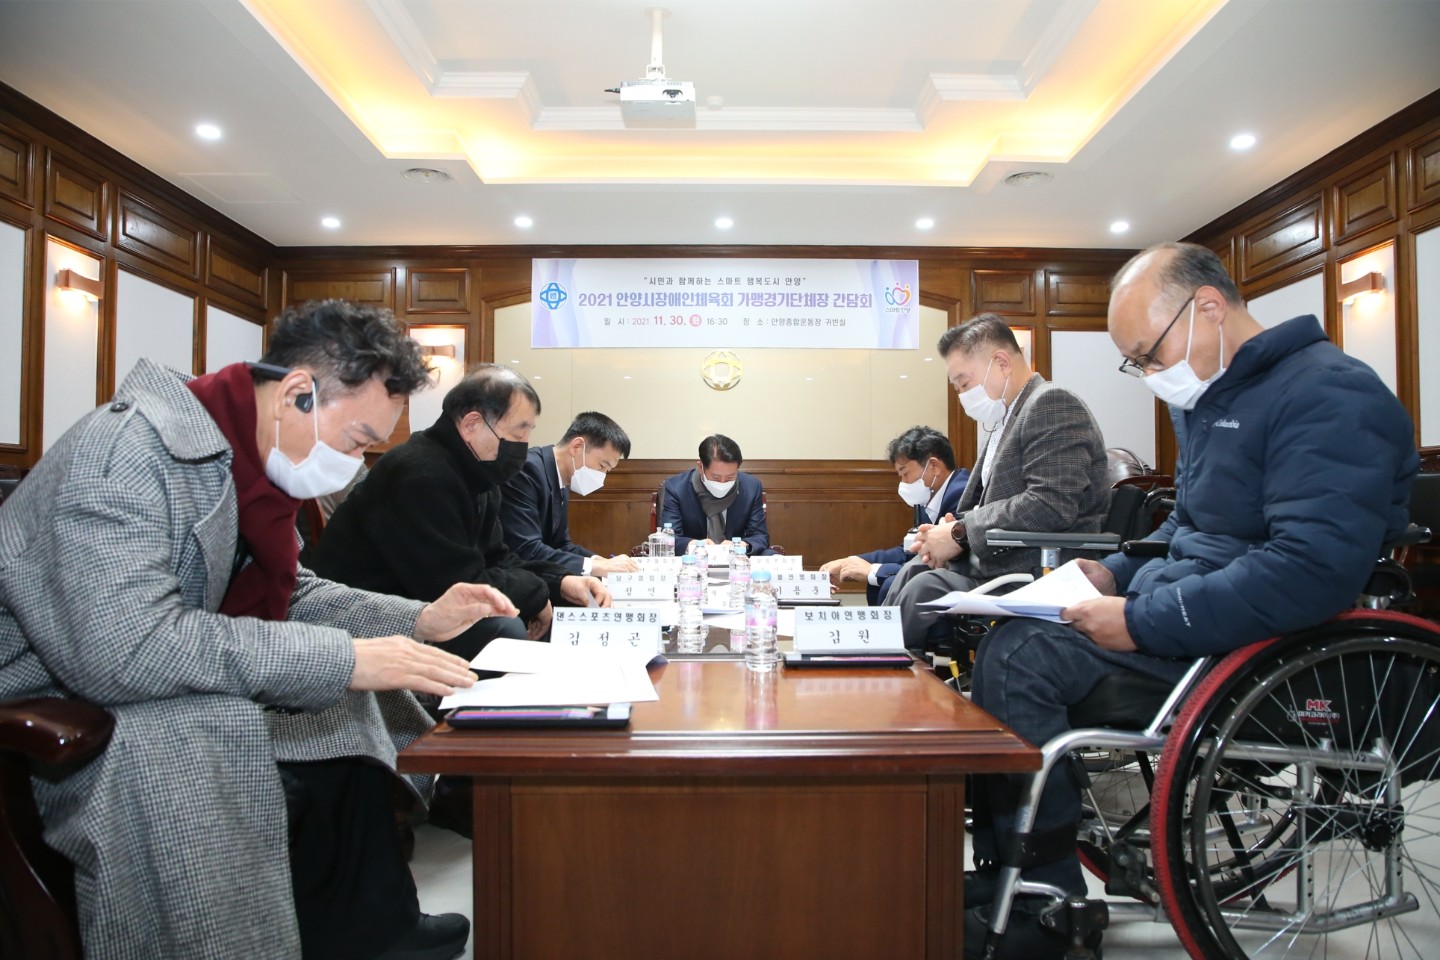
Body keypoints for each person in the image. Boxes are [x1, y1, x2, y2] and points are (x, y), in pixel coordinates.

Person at [0, 299, 518, 960]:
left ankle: (370, 930)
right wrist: (342, 659)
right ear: (297, 393)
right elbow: (125, 647)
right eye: (357, 439)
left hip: (137, 674)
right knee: (268, 705)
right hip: (62, 704)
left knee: (344, 704)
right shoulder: (124, 454)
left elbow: (291, 591)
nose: (356, 463)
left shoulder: (246, 462)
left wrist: (418, 619)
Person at [961, 242, 1419, 960]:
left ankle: (1044, 896)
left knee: (1021, 658)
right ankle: (1008, 869)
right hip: (1188, 608)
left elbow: (1309, 569)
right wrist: (1111, 573)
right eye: (1136, 363)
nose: (1150, 374)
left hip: (1253, 637)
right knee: (1007, 631)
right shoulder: (1215, 397)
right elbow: (1189, 526)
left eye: (1149, 354)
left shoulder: (1331, 394)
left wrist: (1139, 620)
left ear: (1207, 308)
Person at [311, 364, 611, 650]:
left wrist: (561, 582)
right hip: (370, 614)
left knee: (566, 601)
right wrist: (537, 593)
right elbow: (457, 584)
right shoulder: (419, 474)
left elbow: (498, 558)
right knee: (500, 628)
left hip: (426, 598)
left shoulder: (478, 475)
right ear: (472, 424)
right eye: (518, 434)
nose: (523, 445)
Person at [884, 314, 1110, 647]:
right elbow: (991, 505)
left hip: (1036, 569)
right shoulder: (1006, 418)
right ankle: (868, 655)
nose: (962, 395)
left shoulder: (1052, 403)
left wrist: (960, 533)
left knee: (924, 588)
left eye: (964, 383)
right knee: (914, 569)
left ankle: (880, 662)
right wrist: (944, 533)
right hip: (996, 560)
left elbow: (1050, 505)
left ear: (1001, 363)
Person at [819, 426, 969, 603]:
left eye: (905, 473)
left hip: (961, 581)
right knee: (882, 582)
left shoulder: (962, 495)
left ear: (934, 466)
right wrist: (850, 562)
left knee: (887, 582)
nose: (903, 483)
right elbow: (908, 552)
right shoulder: (927, 498)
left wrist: (874, 571)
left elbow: (944, 565)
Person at [500, 411, 640, 577]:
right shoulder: (526, 470)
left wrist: (600, 561)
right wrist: (594, 566)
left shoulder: (564, 479)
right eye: (602, 466)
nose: (602, 476)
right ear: (577, 447)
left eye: (607, 470)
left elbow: (561, 544)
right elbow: (526, 549)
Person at [661, 433, 772, 555]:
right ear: (700, 467)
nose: (722, 483)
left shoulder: (751, 487)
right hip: (692, 560)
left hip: (737, 560)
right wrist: (693, 545)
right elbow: (669, 538)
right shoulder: (677, 488)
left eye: (730, 477)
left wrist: (743, 545)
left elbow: (760, 536)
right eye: (715, 477)